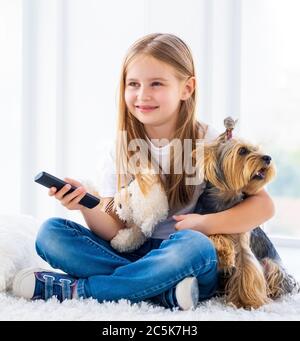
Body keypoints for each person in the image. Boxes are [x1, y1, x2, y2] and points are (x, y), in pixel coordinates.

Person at [12, 33, 275, 310]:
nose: (142, 95)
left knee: (194, 245)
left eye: (156, 84)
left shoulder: (210, 141)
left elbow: (264, 207)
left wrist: (203, 225)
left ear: (187, 88)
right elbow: (115, 228)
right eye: (133, 84)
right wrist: (85, 204)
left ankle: (81, 290)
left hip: (185, 254)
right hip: (133, 253)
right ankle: (162, 291)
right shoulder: (119, 148)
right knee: (51, 233)